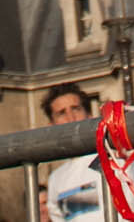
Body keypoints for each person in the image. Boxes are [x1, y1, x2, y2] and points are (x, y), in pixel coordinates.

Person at [42, 83, 104, 222]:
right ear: (51, 127)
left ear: (89, 115)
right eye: (61, 113)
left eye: (76, 109)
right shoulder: (56, 180)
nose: (71, 118)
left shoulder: (116, 159)